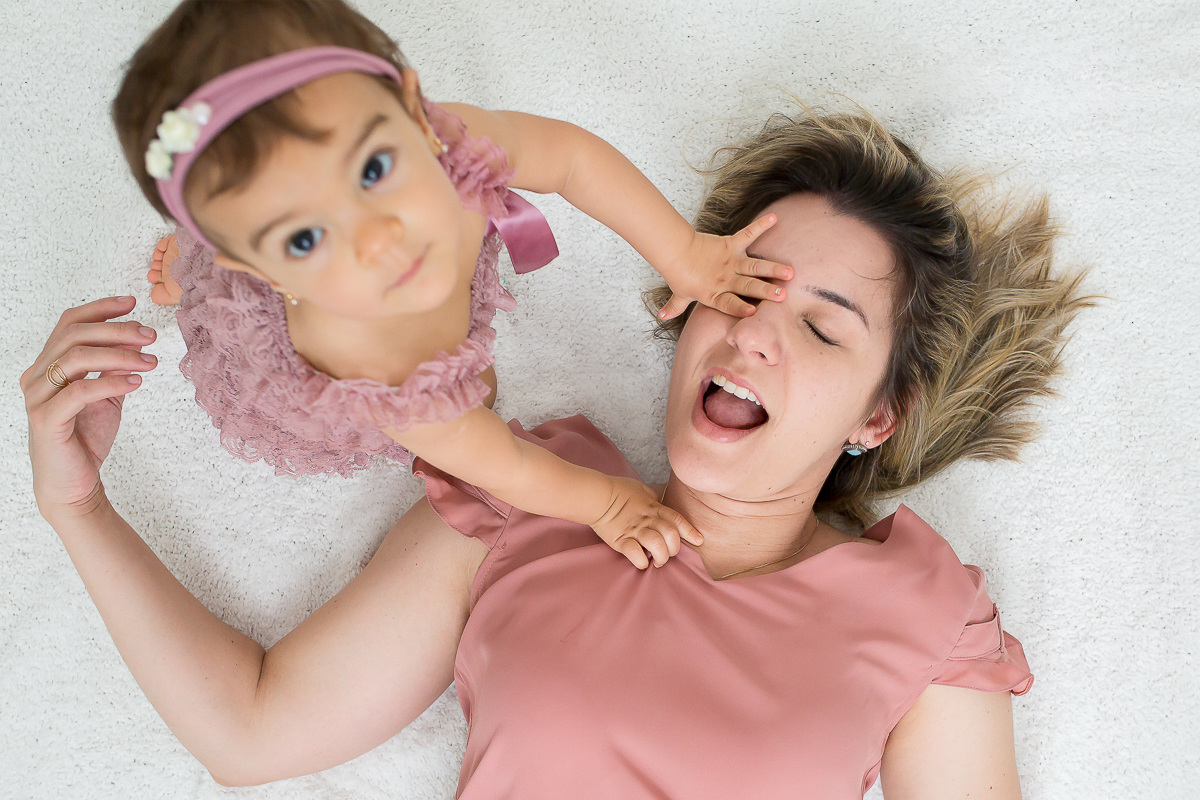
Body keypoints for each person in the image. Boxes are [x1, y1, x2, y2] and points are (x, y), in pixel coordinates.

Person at [23, 108, 1092, 797]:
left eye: (823, 326)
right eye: (742, 289)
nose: (756, 331)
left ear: (878, 416)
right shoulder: (520, 491)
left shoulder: (921, 610)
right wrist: (80, 507)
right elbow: (251, 731)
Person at [111, 0, 798, 566]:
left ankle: (223, 249)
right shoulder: (379, 373)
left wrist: (682, 253)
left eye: (374, 170)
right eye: (305, 237)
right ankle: (195, 267)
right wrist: (608, 503)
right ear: (266, 268)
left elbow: (573, 160)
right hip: (333, 344)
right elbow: (502, 462)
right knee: (462, 408)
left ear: (416, 114)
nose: (380, 239)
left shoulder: (458, 145)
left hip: (299, 275)